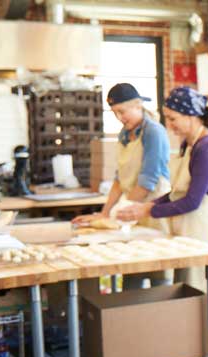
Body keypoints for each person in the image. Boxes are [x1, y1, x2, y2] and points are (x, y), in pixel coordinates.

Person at [117, 86, 208, 291]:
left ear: (192, 116)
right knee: (182, 291)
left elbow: (192, 201)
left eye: (173, 119)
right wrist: (150, 204)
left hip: (200, 228)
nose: (169, 125)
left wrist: (149, 210)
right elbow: (177, 192)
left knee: (195, 293)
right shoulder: (190, 144)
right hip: (185, 227)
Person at [73, 83, 171, 288]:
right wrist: (105, 213)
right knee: (131, 269)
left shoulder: (154, 132)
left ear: (138, 105)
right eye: (115, 113)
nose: (119, 118)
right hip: (131, 209)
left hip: (153, 210)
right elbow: (119, 180)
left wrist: (117, 214)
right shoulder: (124, 134)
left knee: (157, 273)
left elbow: (147, 181)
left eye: (122, 112)